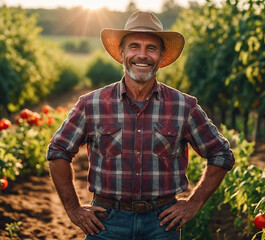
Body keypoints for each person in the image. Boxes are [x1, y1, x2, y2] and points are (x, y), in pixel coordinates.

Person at [46, 11, 235, 240]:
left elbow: (221, 154)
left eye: (151, 48)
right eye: (134, 46)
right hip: (106, 224)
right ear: (122, 52)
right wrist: (73, 209)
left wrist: (193, 204)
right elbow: (58, 151)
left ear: (162, 56)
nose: (142, 55)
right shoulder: (92, 104)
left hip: (162, 225)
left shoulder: (183, 106)